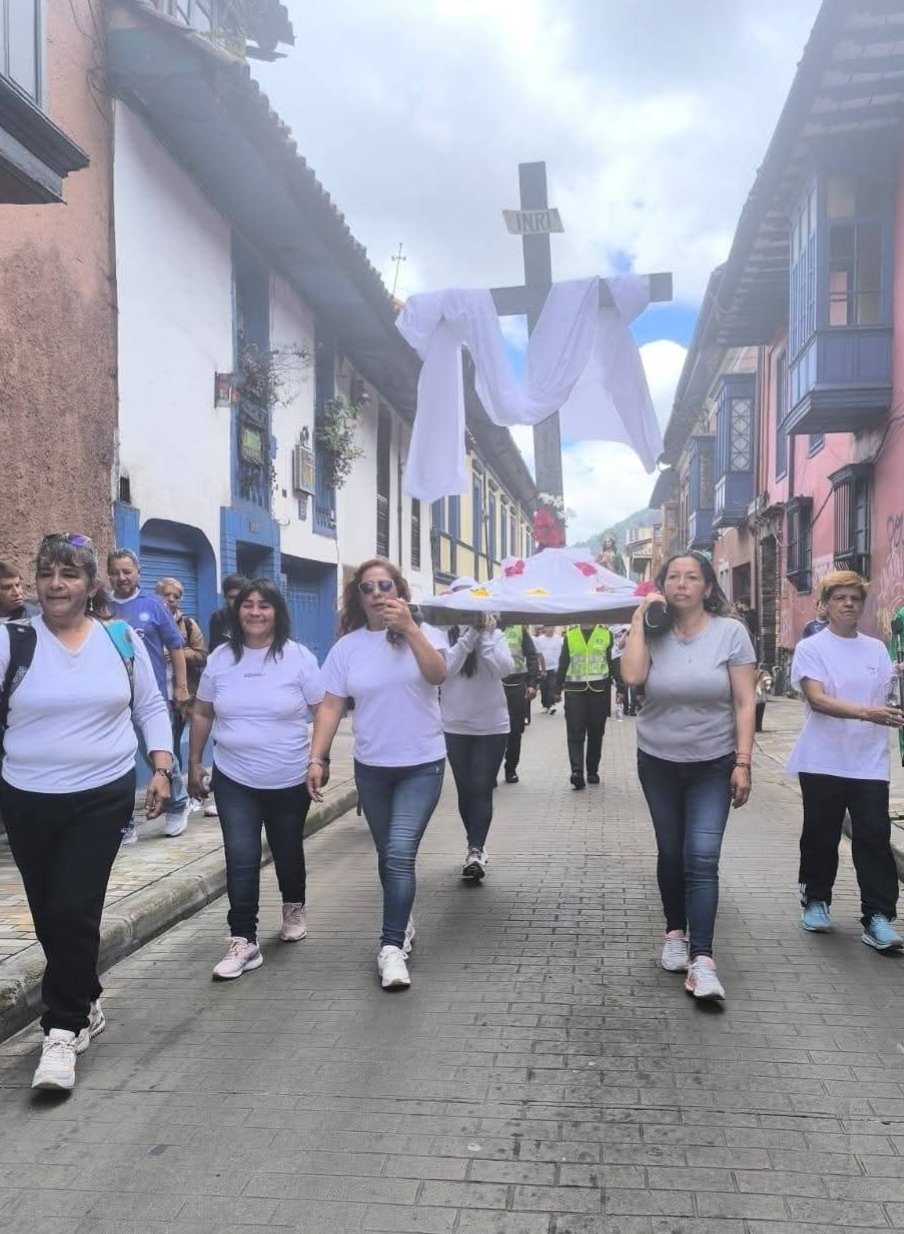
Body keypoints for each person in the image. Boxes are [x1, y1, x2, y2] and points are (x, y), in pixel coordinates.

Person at [0, 534, 173, 1091]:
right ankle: (86, 997)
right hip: (26, 795)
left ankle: (62, 1028)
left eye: (70, 574)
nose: (57, 584)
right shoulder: (12, 640)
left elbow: (150, 703)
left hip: (102, 794)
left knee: (74, 907)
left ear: (91, 584)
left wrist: (162, 764)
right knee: (49, 914)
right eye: (47, 573)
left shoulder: (119, 638)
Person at [621, 550, 756, 1002]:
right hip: (657, 761)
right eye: (673, 577)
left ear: (707, 587)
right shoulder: (653, 633)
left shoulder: (730, 633)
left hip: (713, 762)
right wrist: (641, 617)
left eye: (692, 577)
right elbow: (632, 676)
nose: (682, 584)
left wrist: (743, 761)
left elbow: (744, 702)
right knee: (671, 851)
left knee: (701, 856)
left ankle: (703, 960)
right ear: (662, 586)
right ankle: (674, 932)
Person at [306, 558, 447, 991]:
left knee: (400, 853)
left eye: (385, 585)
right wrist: (317, 758)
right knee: (389, 855)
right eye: (367, 588)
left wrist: (410, 630)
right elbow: (331, 705)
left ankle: (390, 947)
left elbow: (438, 674)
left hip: (422, 764)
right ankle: (401, 922)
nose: (377, 594)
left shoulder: (426, 633)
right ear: (358, 598)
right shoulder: (347, 648)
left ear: (399, 590)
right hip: (372, 768)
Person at [188, 579, 324, 979]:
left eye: (264, 605)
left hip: (289, 776)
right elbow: (202, 712)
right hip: (234, 777)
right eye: (247, 604)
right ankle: (243, 939)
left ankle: (294, 905)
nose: (255, 612)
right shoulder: (220, 659)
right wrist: (194, 762)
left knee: (287, 848)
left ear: (277, 612)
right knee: (241, 855)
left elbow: (324, 710)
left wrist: (319, 759)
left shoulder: (298, 658)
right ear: (237, 611)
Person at [788, 570, 904, 950]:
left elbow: (889, 698)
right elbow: (818, 700)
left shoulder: (877, 650)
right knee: (821, 834)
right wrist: (868, 713)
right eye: (840, 597)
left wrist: (896, 687)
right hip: (822, 759)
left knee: (874, 836)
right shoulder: (812, 648)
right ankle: (816, 900)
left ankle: (878, 917)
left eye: (855, 598)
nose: (848, 603)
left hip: (869, 761)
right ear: (825, 605)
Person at [107, 549, 191, 841]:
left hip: (149, 698)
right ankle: (123, 821)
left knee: (156, 753)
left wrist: (181, 686)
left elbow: (176, 647)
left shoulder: (154, 605)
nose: (121, 577)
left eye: (127, 571)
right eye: (115, 572)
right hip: (114, 699)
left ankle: (177, 804)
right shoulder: (101, 606)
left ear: (138, 573)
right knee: (116, 760)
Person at [441, 599, 515, 882]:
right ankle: (473, 841)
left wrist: (484, 636)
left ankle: (475, 849)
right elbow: (445, 670)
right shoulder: (443, 635)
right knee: (465, 789)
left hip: (491, 726)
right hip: (455, 726)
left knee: (482, 786)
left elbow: (504, 669)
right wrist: (470, 635)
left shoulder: (496, 636)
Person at [155, 577, 208, 771]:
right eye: (166, 595)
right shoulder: (150, 621)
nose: (171, 599)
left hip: (179, 696)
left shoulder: (188, 624)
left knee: (173, 743)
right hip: (155, 692)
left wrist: (178, 653)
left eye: (176, 596)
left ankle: (174, 784)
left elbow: (202, 655)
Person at [556, 623, 613, 789]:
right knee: (575, 730)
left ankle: (592, 770)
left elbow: (611, 663)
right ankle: (577, 772)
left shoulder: (606, 633)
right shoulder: (571, 634)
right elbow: (563, 662)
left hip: (598, 690)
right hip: (574, 690)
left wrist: (621, 688)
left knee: (596, 731)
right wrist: (557, 689)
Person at [500, 623, 539, 783]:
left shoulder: (519, 629)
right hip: (492, 685)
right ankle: (491, 770)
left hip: (516, 684)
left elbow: (532, 656)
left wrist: (532, 683)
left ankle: (511, 769)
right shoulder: (485, 627)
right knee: (492, 730)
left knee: (515, 730)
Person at [209, 573, 251, 652]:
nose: (237, 601)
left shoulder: (255, 617)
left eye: (240, 597)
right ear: (225, 598)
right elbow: (215, 650)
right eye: (232, 597)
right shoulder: (219, 618)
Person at [533, 625, 563, 713]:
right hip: (542, 668)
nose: (550, 629)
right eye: (548, 627)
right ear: (544, 629)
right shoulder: (539, 640)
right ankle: (545, 705)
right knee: (544, 687)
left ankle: (552, 705)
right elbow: (537, 654)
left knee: (552, 686)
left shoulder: (559, 639)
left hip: (554, 667)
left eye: (552, 627)